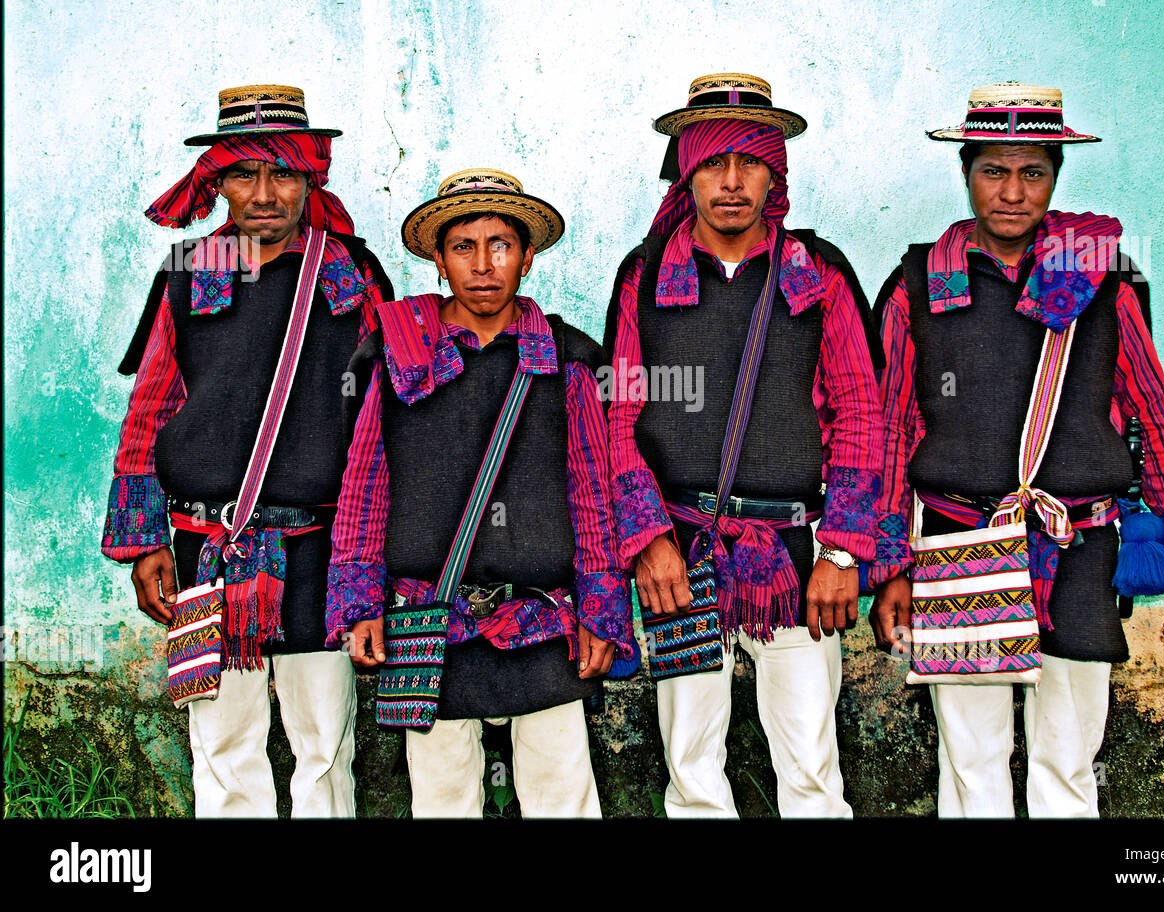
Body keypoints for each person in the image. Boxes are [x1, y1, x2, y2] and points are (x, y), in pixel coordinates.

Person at [867, 82, 1164, 818]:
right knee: (973, 761)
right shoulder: (918, 287)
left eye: (1032, 172)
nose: (1011, 192)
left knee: (1069, 759)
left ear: (1056, 178)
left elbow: (1155, 420)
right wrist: (887, 565)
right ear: (965, 173)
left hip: (1081, 542)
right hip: (959, 539)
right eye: (993, 171)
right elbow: (888, 434)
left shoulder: (1102, 280)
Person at [101, 84, 392, 817]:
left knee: (325, 743)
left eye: (284, 173)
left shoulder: (351, 277)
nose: (264, 194)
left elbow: (384, 418)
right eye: (244, 174)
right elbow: (152, 410)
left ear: (310, 178)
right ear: (219, 181)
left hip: (318, 546)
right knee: (223, 745)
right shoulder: (188, 272)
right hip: (205, 547)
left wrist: (372, 550)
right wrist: (144, 542)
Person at [604, 73, 885, 817]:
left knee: (813, 771)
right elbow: (616, 419)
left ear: (775, 172)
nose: (732, 182)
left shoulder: (816, 275)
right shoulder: (643, 278)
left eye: (750, 162)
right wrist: (646, 541)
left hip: (793, 558)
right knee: (692, 769)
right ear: (686, 171)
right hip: (680, 556)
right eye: (713, 162)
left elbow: (862, 409)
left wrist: (843, 553)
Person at [326, 168, 633, 818]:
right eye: (464, 246)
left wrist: (602, 608)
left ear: (527, 256)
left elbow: (591, 492)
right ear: (438, 258)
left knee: (563, 796)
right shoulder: (397, 356)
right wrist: (359, 603)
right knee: (441, 799)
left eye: (501, 244)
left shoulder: (567, 360)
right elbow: (365, 487)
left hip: (544, 619)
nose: (484, 264)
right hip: (428, 619)